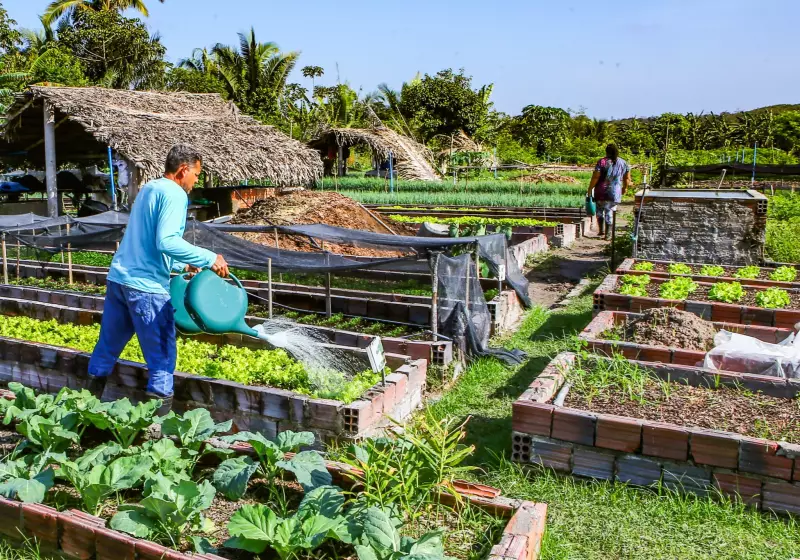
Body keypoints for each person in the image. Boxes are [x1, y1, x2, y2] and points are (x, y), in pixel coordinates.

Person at [85, 144, 229, 413]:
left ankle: (85, 414)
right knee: (162, 360)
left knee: (106, 348)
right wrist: (209, 258)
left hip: (120, 280)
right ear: (183, 170)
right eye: (196, 175)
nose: (196, 181)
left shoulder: (150, 188)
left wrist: (181, 263)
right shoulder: (175, 194)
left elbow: (149, 239)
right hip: (146, 289)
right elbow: (166, 240)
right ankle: (156, 434)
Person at [587, 144, 632, 239]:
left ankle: (601, 231)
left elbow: (596, 177)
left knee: (599, 211)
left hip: (601, 191)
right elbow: (627, 178)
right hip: (615, 192)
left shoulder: (602, 162)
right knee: (609, 211)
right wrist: (625, 188)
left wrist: (590, 188)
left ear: (606, 151)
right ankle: (608, 234)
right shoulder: (623, 162)